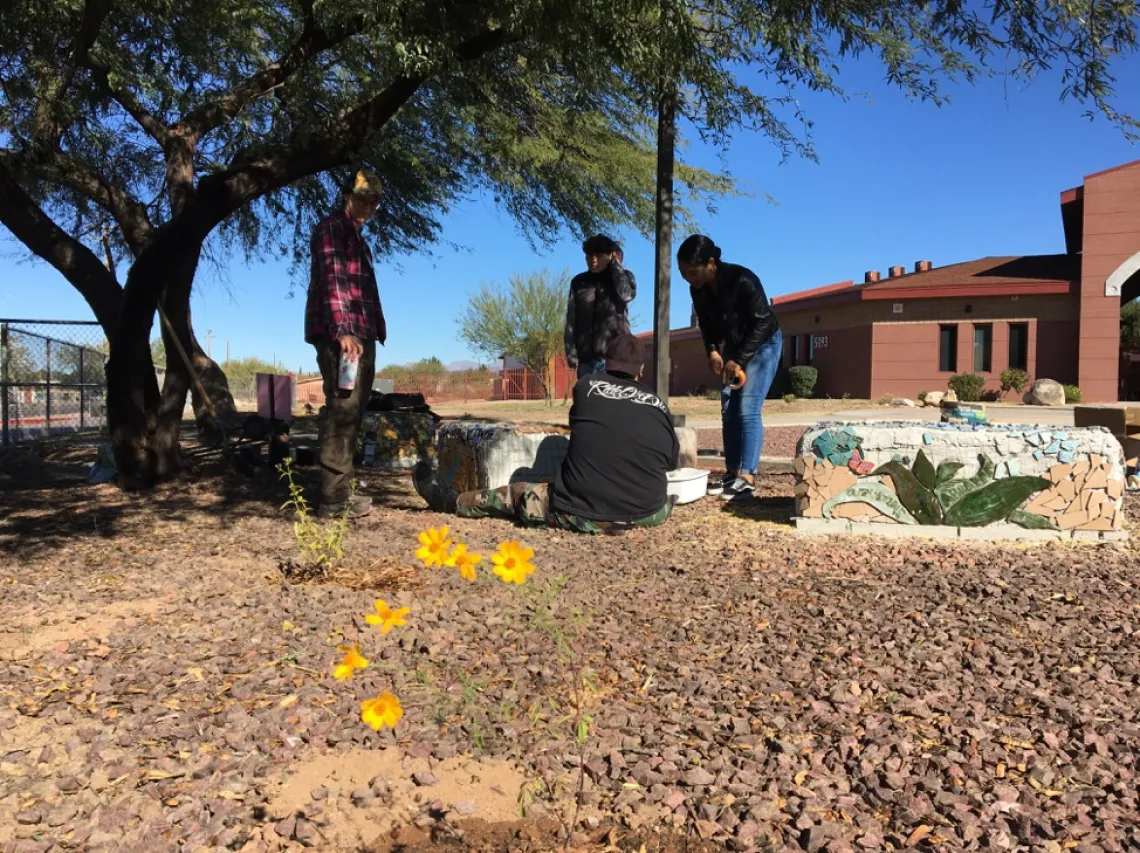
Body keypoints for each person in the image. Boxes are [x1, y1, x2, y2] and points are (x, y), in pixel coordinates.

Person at [413, 333, 678, 533]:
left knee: (515, 494)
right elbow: (670, 462)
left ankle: (452, 502)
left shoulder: (587, 385)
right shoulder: (659, 404)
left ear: (606, 364)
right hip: (650, 513)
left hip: (582, 513)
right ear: (640, 371)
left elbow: (581, 427)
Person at [305, 170, 387, 518]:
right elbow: (333, 280)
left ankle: (341, 491)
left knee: (351, 414)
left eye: (374, 201)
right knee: (342, 411)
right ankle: (334, 501)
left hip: (361, 336)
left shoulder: (357, 236)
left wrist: (373, 332)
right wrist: (343, 331)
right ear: (346, 196)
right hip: (344, 338)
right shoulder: (333, 228)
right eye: (363, 198)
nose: (369, 206)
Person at [677, 234, 783, 502]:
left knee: (747, 408)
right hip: (735, 348)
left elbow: (762, 322)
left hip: (763, 344)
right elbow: (707, 323)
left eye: (692, 271)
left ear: (711, 263)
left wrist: (741, 359)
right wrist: (713, 350)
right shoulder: (698, 289)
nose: (689, 278)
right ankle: (733, 471)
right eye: (683, 273)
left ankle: (747, 478)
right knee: (728, 408)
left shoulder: (743, 280)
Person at [565, 235, 636, 379]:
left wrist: (616, 266)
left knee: (615, 400)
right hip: (587, 359)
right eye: (589, 256)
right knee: (589, 400)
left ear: (610, 255)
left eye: (599, 255)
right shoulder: (579, 282)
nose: (593, 260)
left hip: (616, 357)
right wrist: (570, 351)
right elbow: (571, 318)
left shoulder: (624, 276)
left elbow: (627, 295)